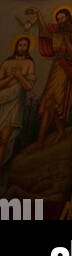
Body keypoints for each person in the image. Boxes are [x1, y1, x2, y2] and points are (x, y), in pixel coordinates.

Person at [26, 6, 72, 150]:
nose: (59, 21)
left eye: (62, 18)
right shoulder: (58, 32)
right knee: (50, 103)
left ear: (68, 17)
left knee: (51, 102)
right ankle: (61, 131)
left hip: (64, 69)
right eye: (58, 19)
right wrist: (39, 13)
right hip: (56, 68)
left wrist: (67, 40)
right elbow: (45, 31)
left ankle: (40, 141)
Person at [0, 35, 36, 168]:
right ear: (16, 46)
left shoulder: (29, 63)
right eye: (20, 45)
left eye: (24, 45)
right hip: (2, 101)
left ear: (28, 48)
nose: (22, 47)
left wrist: (20, 76)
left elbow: (28, 86)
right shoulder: (6, 63)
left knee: (4, 139)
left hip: (15, 104)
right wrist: (10, 77)